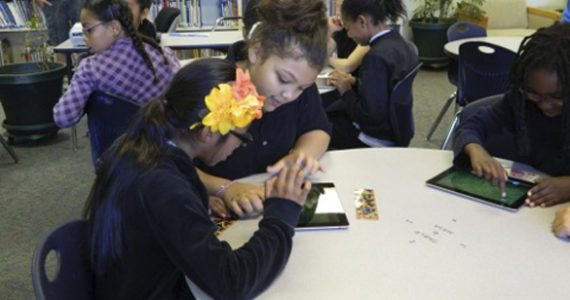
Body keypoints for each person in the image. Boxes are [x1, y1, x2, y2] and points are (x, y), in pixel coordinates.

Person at [83, 58, 312, 299]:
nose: (239, 147)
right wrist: (281, 217)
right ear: (209, 132)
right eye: (242, 138)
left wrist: (196, 203)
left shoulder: (143, 148)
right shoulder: (163, 186)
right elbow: (232, 282)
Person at [198, 0, 332, 218]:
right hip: (223, 213)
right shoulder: (211, 88)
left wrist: (302, 155)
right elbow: (169, 159)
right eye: (282, 79)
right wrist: (222, 188)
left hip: (270, 209)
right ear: (256, 51)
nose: (289, 95)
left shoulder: (296, 84)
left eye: (302, 87)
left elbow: (317, 128)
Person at [452, 23, 570, 208]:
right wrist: (475, 148)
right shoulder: (520, 100)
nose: (544, 105)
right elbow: (473, 124)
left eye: (557, 97)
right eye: (534, 93)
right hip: (530, 201)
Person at [53, 0, 179, 128]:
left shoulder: (90, 68)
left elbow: (63, 118)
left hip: (114, 146)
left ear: (115, 28)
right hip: (161, 142)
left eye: (88, 30)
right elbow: (182, 100)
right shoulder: (165, 55)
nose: (84, 37)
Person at [326, 0, 418, 149]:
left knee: (318, 125)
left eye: (348, 28)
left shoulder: (375, 57)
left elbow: (368, 116)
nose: (348, 35)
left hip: (374, 138)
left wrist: (345, 91)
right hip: (397, 129)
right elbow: (386, 89)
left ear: (362, 21)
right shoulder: (401, 43)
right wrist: (355, 82)